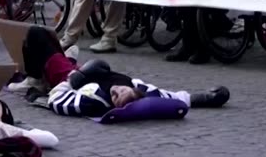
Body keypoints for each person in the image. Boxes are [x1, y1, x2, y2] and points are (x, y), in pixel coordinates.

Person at [17, 26, 230, 117]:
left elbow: (57, 101)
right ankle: (66, 58)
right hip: (80, 68)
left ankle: (35, 78)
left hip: (64, 77)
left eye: (116, 98)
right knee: (51, 43)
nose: (116, 92)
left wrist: (75, 79)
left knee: (36, 35)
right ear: (133, 91)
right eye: (123, 91)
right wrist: (206, 98)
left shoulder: (94, 102)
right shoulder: (137, 87)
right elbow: (170, 96)